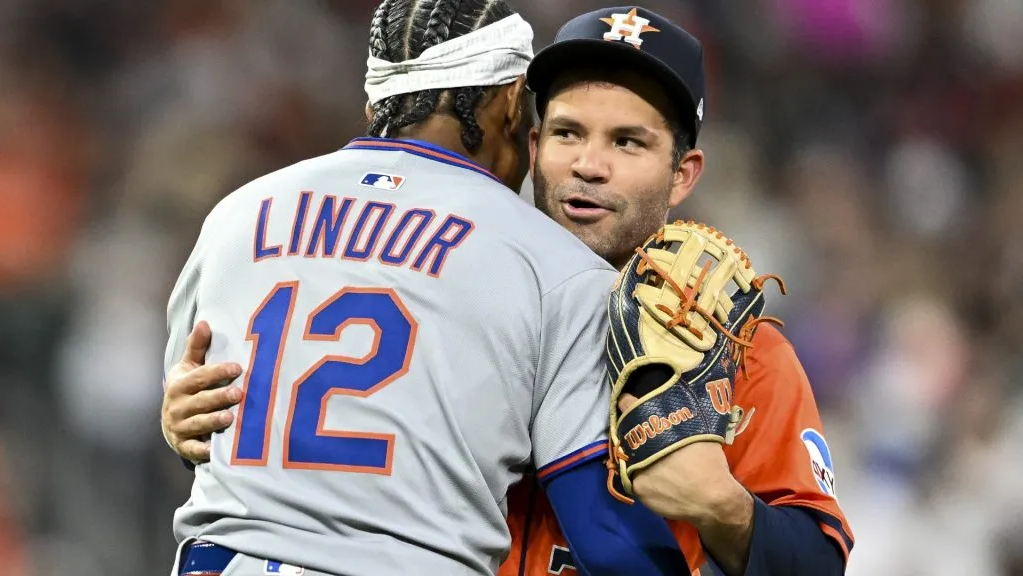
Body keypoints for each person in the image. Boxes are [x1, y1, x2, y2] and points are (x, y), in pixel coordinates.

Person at [163, 5, 855, 576]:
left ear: (683, 174)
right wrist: (202, 414)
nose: (589, 164)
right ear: (527, 142)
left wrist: (721, 506)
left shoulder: (741, 357)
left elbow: (816, 568)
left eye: (628, 143)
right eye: (567, 133)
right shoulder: (450, 291)